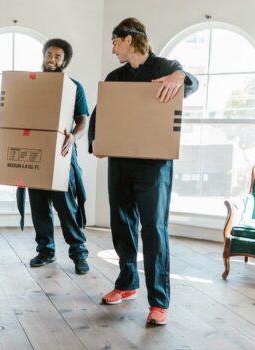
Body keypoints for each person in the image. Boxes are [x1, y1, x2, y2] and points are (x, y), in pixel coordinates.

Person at [88, 18, 199, 326]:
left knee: (153, 229)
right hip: (121, 162)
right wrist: (95, 141)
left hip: (154, 165)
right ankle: (126, 284)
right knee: (121, 224)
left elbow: (193, 83)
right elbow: (101, 113)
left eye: (114, 42)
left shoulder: (166, 67)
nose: (112, 49)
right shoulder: (115, 76)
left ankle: (159, 302)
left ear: (128, 39)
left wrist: (180, 75)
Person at [16, 38, 90, 275]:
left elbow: (83, 121)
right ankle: (45, 251)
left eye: (58, 56)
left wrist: (73, 138)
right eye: (49, 54)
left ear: (64, 61)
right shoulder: (31, 83)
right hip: (34, 152)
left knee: (66, 207)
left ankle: (79, 253)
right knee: (39, 207)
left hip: (61, 153)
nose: (52, 59)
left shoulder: (73, 86)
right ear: (43, 55)